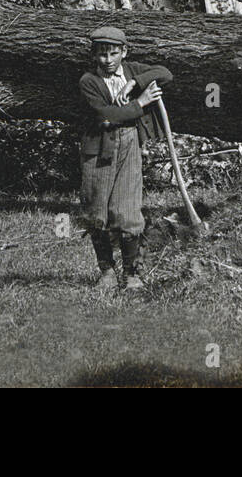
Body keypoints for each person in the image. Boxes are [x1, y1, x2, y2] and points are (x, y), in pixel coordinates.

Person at [78, 25, 173, 291]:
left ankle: (132, 274)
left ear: (124, 52)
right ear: (93, 54)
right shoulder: (88, 81)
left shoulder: (132, 70)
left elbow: (165, 73)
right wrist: (140, 103)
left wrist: (134, 83)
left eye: (113, 54)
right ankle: (107, 272)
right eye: (101, 54)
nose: (107, 61)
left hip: (129, 146)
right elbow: (105, 116)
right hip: (98, 150)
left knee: (128, 210)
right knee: (97, 210)